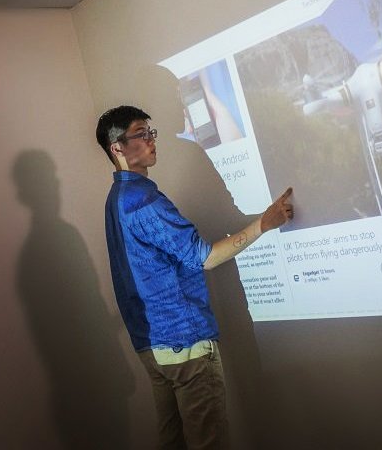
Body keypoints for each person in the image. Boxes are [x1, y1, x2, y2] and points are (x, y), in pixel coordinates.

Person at [96, 105, 293, 450]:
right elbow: (206, 258)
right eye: (141, 134)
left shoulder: (116, 199)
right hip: (183, 342)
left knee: (172, 440)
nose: (151, 141)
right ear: (118, 148)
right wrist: (264, 224)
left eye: (150, 132)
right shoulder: (142, 200)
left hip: (153, 346)